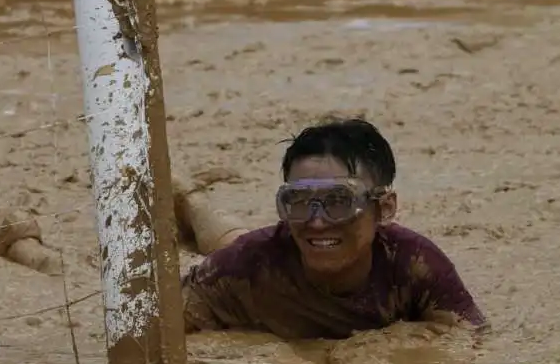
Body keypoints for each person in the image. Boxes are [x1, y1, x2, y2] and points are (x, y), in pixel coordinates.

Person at [173, 118, 486, 339]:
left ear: (385, 208)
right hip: (251, 252)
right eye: (297, 201)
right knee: (234, 244)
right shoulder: (244, 264)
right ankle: (190, 200)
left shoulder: (416, 266)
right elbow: (157, 331)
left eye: (339, 201)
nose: (317, 221)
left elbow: (472, 343)